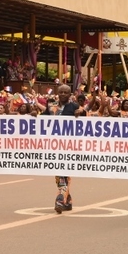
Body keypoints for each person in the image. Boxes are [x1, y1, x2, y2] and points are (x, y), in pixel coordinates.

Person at [42, 84, 85, 214]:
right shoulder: (51, 107)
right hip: (54, 145)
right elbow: (42, 119)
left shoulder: (74, 107)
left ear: (70, 94)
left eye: (65, 92)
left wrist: (81, 113)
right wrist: (34, 115)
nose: (63, 94)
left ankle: (60, 199)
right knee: (58, 171)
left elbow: (85, 120)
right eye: (60, 92)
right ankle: (68, 200)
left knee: (63, 171)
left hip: (69, 146)